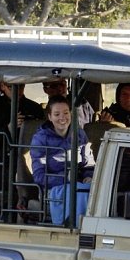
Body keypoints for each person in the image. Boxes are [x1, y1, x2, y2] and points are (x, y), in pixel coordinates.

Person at [30, 95, 91, 225]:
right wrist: (65, 178)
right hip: (52, 188)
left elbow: (89, 162)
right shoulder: (40, 139)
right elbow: (39, 176)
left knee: (95, 189)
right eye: (57, 114)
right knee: (78, 192)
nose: (62, 118)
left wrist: (89, 176)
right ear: (50, 117)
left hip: (79, 183)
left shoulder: (80, 134)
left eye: (65, 113)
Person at [0, 82, 45, 189]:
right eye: (11, 87)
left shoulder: (34, 108)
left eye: (21, 86)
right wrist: (7, 129)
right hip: (1, 161)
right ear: (2, 86)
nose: (17, 90)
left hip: (30, 158)